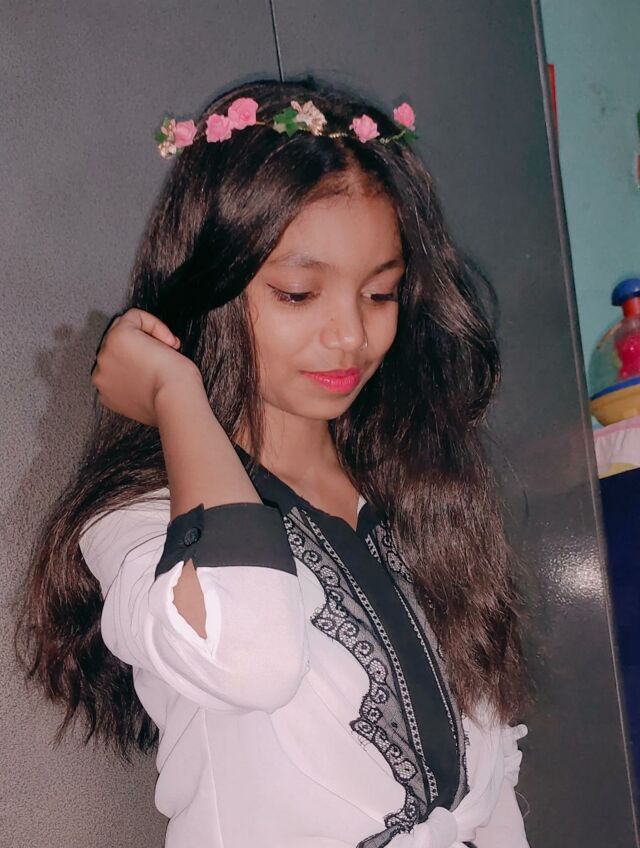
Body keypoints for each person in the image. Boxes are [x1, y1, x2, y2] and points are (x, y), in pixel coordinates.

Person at [14, 76, 534, 848]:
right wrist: (175, 393)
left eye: (380, 295)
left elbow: (488, 796)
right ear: (216, 284)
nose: (350, 335)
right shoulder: (139, 522)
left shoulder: (415, 501)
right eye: (298, 294)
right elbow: (248, 656)